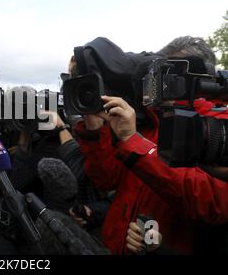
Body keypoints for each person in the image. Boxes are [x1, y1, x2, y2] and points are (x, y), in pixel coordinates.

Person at [73, 37, 228, 254]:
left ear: (202, 76)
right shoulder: (153, 119)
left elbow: (213, 202)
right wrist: (95, 130)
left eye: (172, 74)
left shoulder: (217, 125)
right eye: (159, 72)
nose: (160, 82)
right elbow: (105, 180)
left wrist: (133, 142)